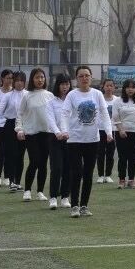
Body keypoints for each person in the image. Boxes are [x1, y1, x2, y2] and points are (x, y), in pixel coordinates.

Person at [62, 66, 112, 217]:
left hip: (92, 140)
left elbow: (104, 114)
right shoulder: (72, 95)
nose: (84, 78)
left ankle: (84, 205)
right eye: (81, 76)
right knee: (76, 172)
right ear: (76, 79)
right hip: (75, 140)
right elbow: (65, 114)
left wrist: (109, 132)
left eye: (87, 75)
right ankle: (74, 206)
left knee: (88, 174)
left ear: (91, 77)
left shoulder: (97, 94)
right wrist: (64, 130)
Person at [16, 68, 56, 203]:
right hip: (31, 133)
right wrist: (19, 129)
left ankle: (40, 191)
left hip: (47, 133)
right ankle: (27, 190)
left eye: (42, 77)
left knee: (43, 163)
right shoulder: (27, 96)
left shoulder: (50, 95)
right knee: (34, 161)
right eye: (37, 77)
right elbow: (20, 114)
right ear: (32, 79)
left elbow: (55, 114)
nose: (40, 80)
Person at [0, 71, 26, 193]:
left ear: (25, 82)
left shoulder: (28, 95)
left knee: (20, 155)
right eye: (17, 80)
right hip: (10, 126)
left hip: (24, 126)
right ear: (13, 82)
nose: (19, 83)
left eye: (21, 80)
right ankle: (11, 182)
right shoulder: (8, 96)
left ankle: (18, 182)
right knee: (11, 154)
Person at [110, 79, 135, 191]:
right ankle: (121, 180)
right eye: (128, 87)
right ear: (124, 89)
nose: (130, 89)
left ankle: (131, 180)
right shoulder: (118, 101)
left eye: (133, 87)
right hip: (121, 133)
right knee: (122, 157)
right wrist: (121, 130)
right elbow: (115, 116)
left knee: (133, 157)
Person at [46, 74, 72, 209]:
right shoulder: (51, 102)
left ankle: (65, 196)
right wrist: (58, 133)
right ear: (58, 85)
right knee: (56, 168)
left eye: (67, 84)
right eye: (62, 84)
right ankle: (53, 197)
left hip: (70, 139)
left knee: (68, 168)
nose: (65, 87)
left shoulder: (72, 101)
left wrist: (68, 133)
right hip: (55, 138)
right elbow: (50, 119)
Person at [97, 78, 118, 185]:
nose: (109, 88)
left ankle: (108, 175)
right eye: (107, 85)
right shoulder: (99, 99)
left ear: (114, 87)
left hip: (113, 130)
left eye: (111, 86)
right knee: (100, 154)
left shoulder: (117, 100)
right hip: (100, 130)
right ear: (103, 87)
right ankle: (100, 175)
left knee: (110, 153)